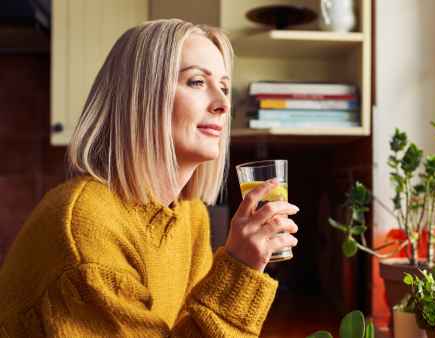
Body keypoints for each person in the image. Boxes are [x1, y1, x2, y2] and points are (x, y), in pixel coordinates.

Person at [0, 19, 299, 337]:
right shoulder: (87, 227)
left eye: (224, 87)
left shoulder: (189, 215)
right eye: (197, 82)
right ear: (140, 95)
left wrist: (243, 267)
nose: (223, 104)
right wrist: (238, 271)